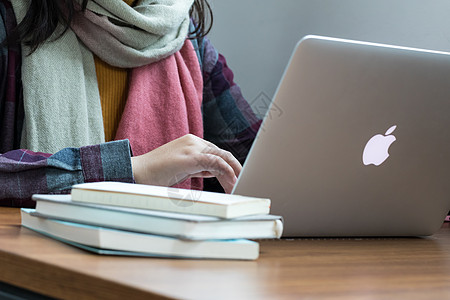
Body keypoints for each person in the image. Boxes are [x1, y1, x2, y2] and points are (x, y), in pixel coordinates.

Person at [0, 0, 261, 207]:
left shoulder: (184, 37)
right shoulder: (7, 20)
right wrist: (133, 170)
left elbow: (259, 170)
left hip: (163, 268)